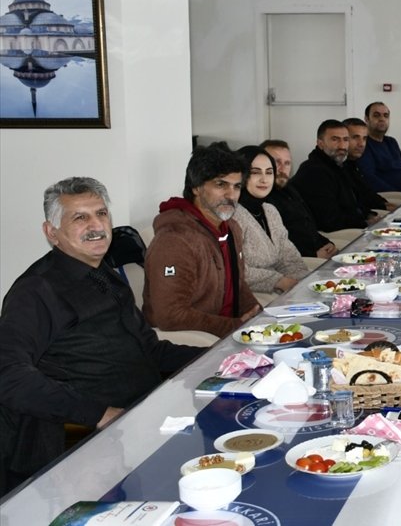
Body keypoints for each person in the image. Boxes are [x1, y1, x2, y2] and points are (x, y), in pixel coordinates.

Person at [0, 178, 205, 492]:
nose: (96, 225)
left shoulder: (104, 275)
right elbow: (9, 376)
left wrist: (220, 356)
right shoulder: (35, 291)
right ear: (50, 232)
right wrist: (99, 414)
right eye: (80, 218)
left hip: (144, 419)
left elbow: (149, 350)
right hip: (80, 441)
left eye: (101, 214)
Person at [143, 144, 262, 337]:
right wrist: (235, 326)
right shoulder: (174, 240)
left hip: (232, 335)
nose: (231, 195)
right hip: (195, 344)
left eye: (237, 186)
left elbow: (238, 285)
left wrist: (260, 317)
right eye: (220, 184)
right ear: (196, 188)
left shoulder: (232, 229)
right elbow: (170, 315)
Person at [231, 145, 309, 295]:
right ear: (241, 175)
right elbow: (233, 269)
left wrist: (302, 280)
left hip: (282, 287)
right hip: (250, 294)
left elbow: (289, 257)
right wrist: (279, 281)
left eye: (269, 172)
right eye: (255, 172)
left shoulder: (270, 210)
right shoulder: (232, 214)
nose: (264, 179)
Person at [290, 119, 379, 232]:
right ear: (320, 143)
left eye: (346, 140)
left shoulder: (339, 166)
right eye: (335, 139)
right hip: (331, 235)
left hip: (352, 226)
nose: (342, 146)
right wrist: (365, 223)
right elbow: (329, 221)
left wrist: (370, 215)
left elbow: (354, 203)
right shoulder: (314, 171)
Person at [260, 140, 337, 259]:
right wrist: (313, 255)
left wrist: (327, 243)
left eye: (287, 163)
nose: (282, 169)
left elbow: (309, 225)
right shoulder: (262, 199)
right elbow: (277, 246)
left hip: (318, 250)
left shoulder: (290, 189)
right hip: (301, 260)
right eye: (277, 162)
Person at [358, 101, 401, 194]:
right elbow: (371, 179)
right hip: (395, 197)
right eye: (376, 115)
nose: (382, 119)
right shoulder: (364, 145)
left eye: (385, 116)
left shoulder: (391, 142)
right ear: (366, 119)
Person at [342, 117, 399, 210]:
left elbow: (367, 193)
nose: (361, 144)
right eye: (355, 137)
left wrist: (386, 205)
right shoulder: (338, 168)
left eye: (364, 138)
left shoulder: (352, 164)